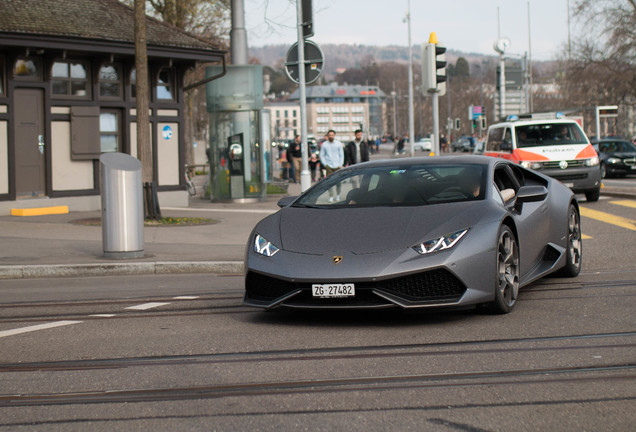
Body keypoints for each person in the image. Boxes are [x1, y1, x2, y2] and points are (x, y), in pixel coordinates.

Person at [319, 130, 345, 201]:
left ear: (334, 135)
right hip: (329, 166)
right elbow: (322, 155)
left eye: (332, 135)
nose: (331, 136)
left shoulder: (338, 144)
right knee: (329, 182)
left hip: (337, 166)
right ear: (327, 135)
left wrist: (340, 164)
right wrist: (325, 164)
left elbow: (341, 155)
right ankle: (331, 196)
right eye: (330, 135)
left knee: (338, 182)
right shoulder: (324, 145)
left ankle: (338, 195)